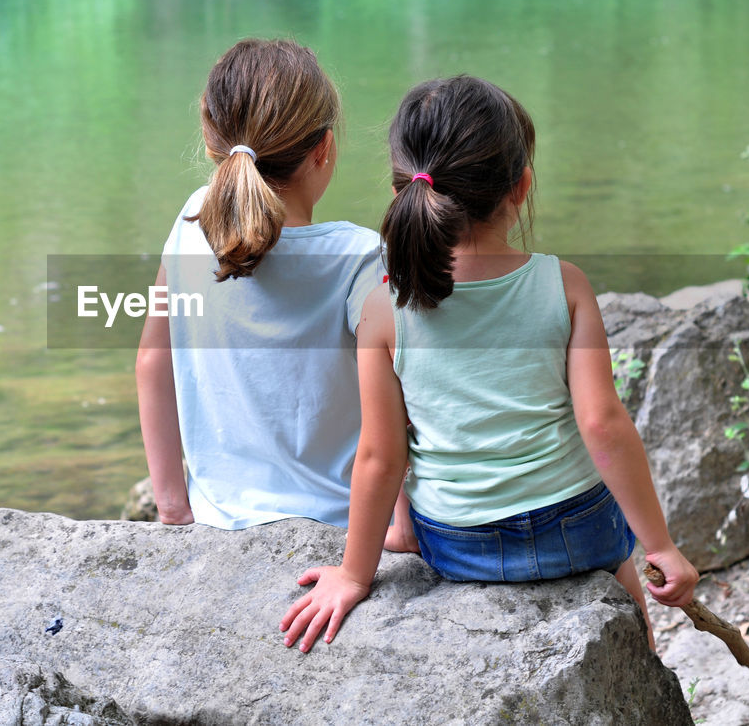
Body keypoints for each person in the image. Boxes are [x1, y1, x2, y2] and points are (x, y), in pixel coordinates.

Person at [280, 75, 698, 653]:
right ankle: (637, 655)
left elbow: (380, 455)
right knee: (622, 578)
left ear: (406, 189)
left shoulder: (383, 309)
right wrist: (660, 549)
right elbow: (602, 425)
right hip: (579, 528)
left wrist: (353, 576)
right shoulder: (564, 285)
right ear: (520, 187)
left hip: (459, 543)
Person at [135, 38, 386, 530]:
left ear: (213, 145)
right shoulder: (360, 257)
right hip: (340, 525)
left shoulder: (192, 221)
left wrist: (172, 507)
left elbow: (152, 360)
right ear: (324, 149)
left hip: (217, 521)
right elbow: (401, 401)